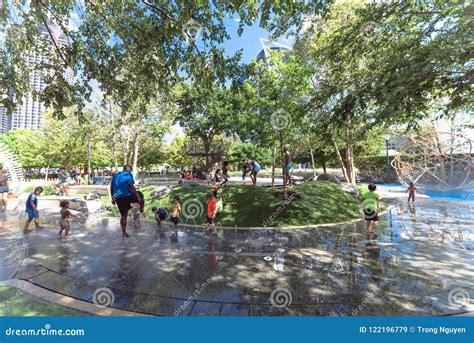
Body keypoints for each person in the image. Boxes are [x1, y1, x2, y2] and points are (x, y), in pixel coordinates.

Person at [110, 164, 141, 239]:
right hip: (127, 197)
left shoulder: (116, 176)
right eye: (131, 169)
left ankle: (124, 234)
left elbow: (112, 188)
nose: (131, 170)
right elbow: (131, 186)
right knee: (139, 199)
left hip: (118, 198)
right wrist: (137, 196)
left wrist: (113, 198)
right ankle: (136, 217)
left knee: (123, 216)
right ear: (128, 168)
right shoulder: (128, 175)